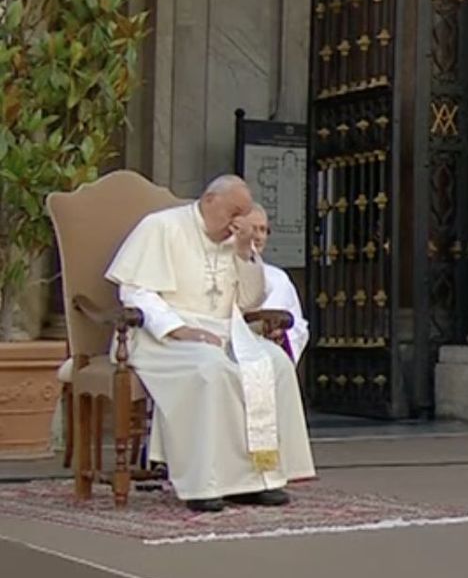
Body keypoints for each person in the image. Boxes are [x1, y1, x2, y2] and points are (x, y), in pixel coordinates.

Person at [106, 175, 316, 512]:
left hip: (225, 331)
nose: (238, 222)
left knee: (274, 362)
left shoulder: (233, 239)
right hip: (160, 337)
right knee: (210, 368)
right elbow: (135, 291)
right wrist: (177, 329)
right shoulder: (161, 227)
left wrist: (245, 254)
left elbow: (248, 302)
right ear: (209, 201)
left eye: (243, 214)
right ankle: (203, 483)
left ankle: (258, 479)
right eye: (234, 212)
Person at [240, 206, 309, 363]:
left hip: (271, 358)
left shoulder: (279, 279)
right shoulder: (224, 271)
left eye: (263, 230)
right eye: (253, 229)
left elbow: (298, 326)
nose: (258, 237)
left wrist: (282, 335)